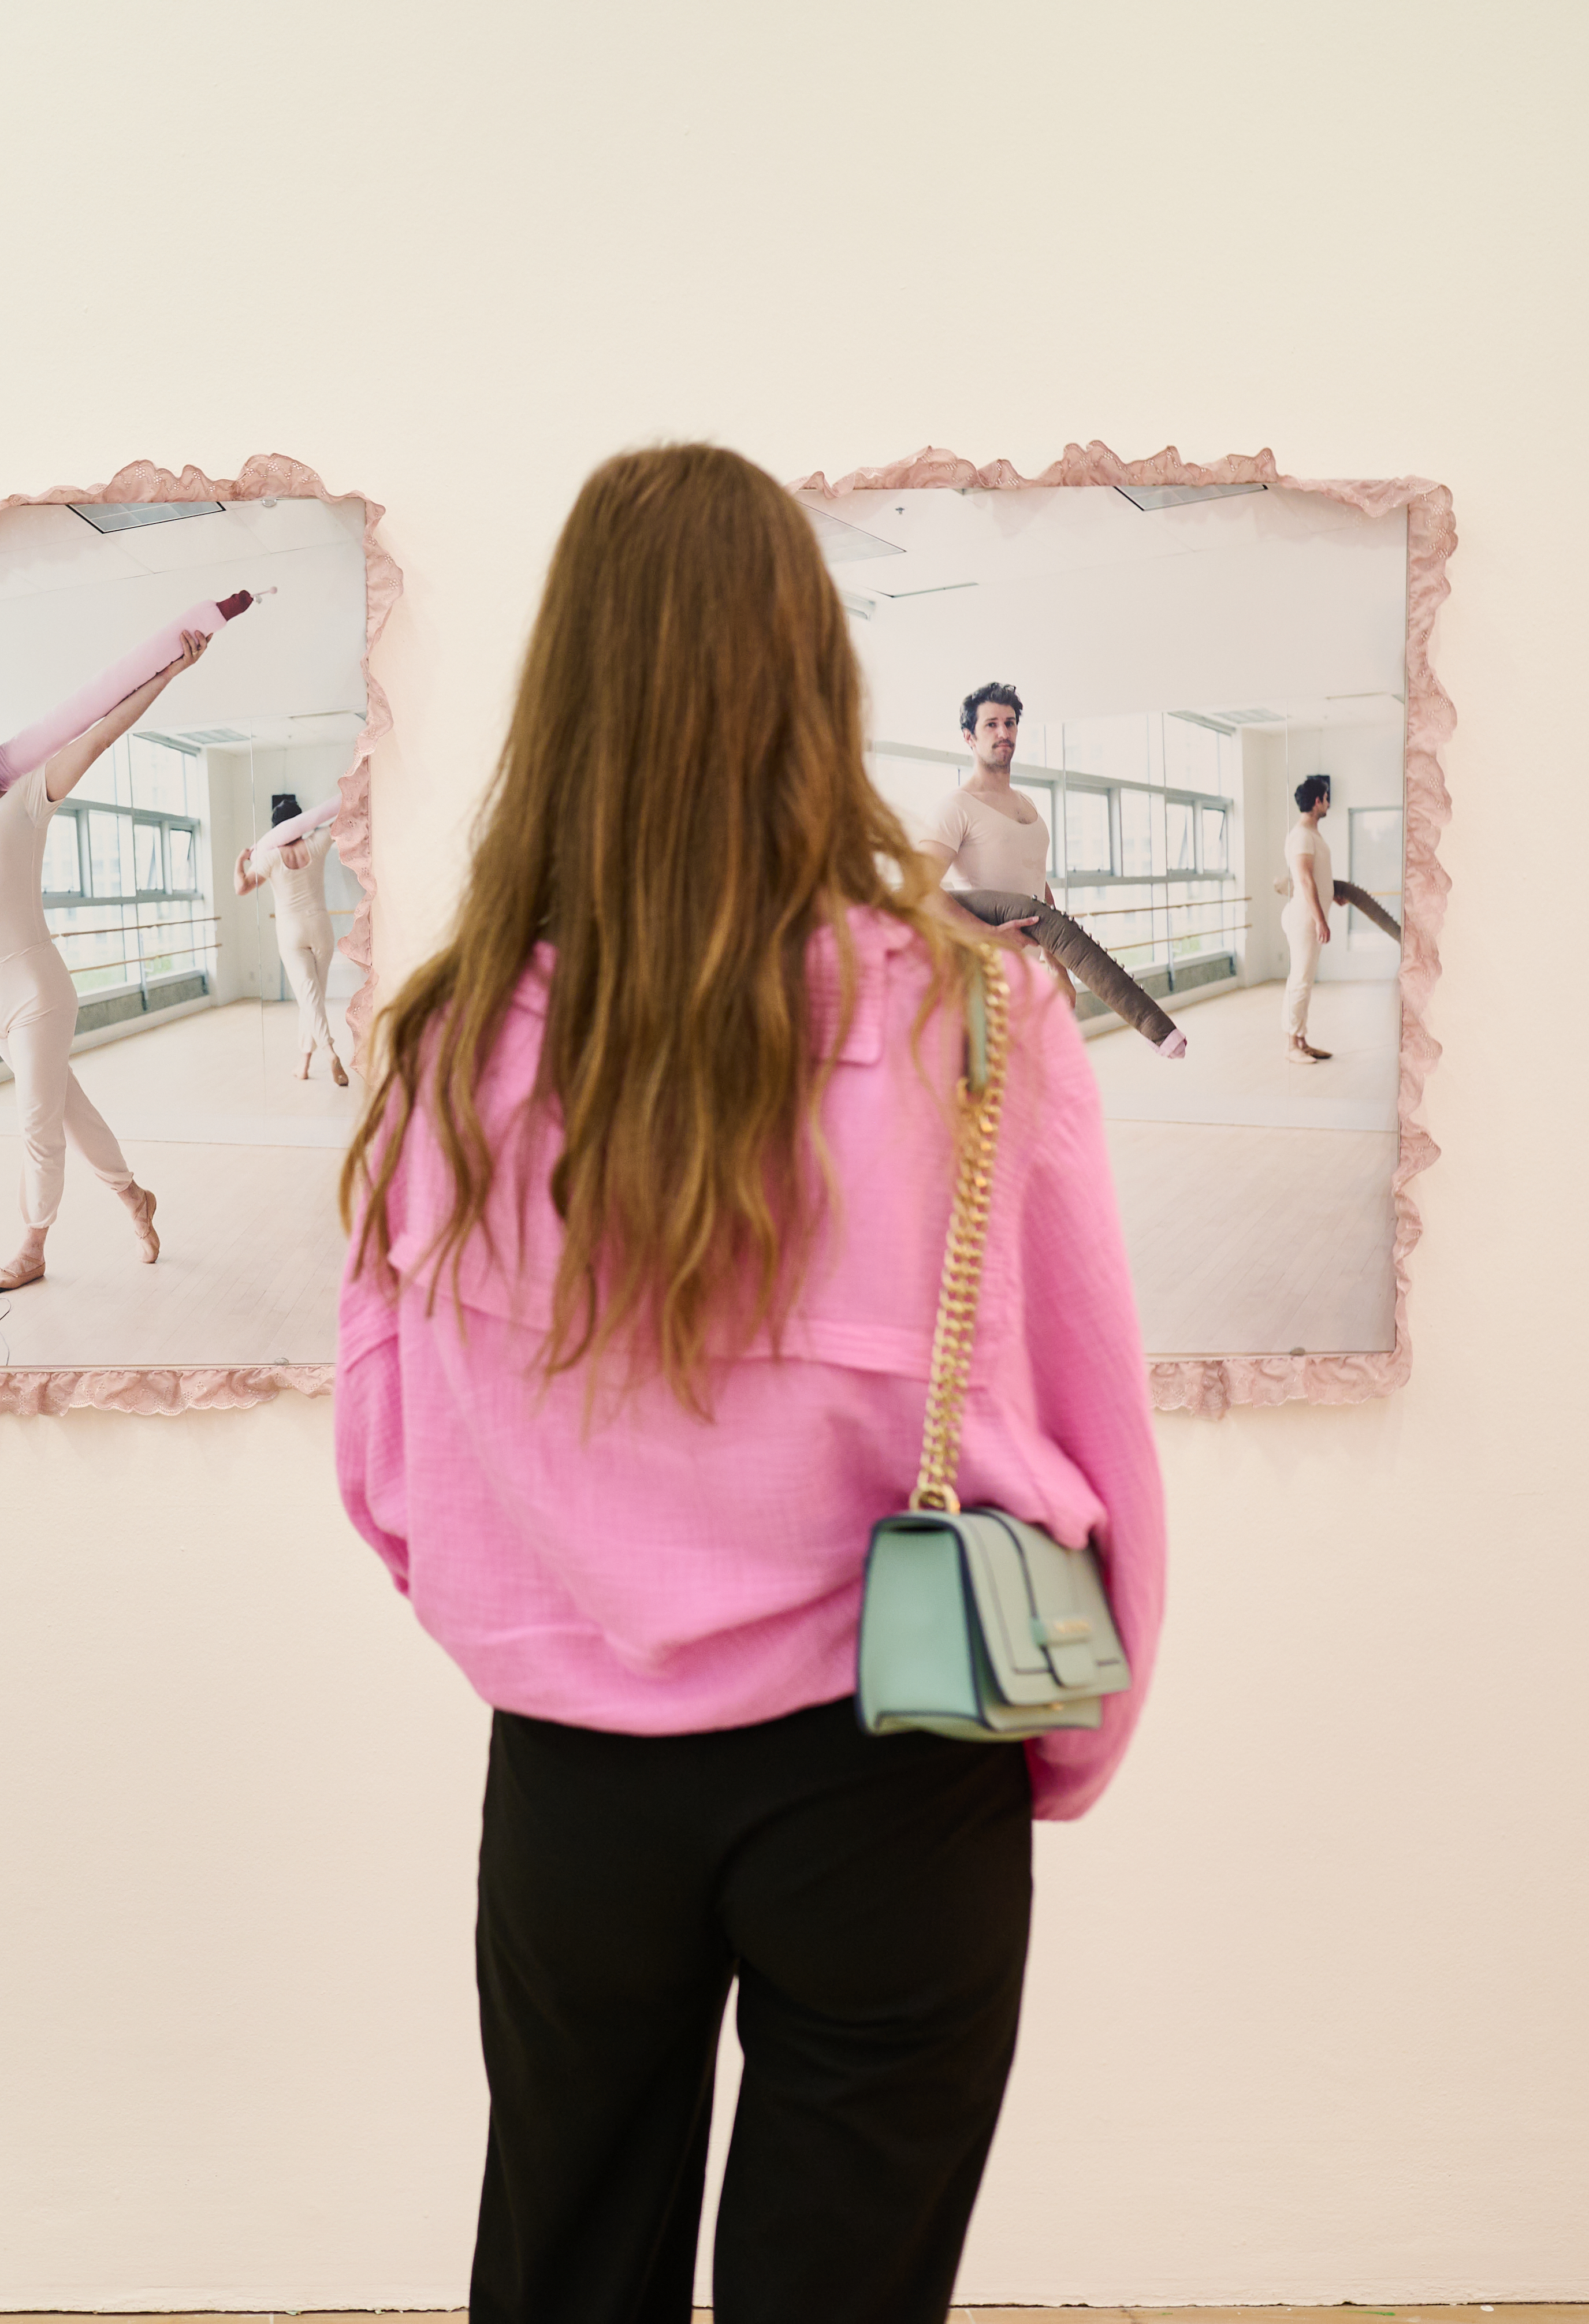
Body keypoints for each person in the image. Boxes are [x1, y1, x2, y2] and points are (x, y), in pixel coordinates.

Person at [336, 445, 1166, 2324]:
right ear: (811, 681)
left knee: (562, 2266)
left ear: (564, 698)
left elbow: (382, 1468)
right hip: (898, 1750)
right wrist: (1064, 1740)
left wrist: (563, 1617)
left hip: (569, 1783)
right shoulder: (969, 1013)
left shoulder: (446, 1050)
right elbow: (1087, 1424)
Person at [0, 628, 211, 1293]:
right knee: (70, 1115)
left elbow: (98, 732)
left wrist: (170, 673)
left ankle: (32, 1246)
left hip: (37, 992)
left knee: (34, 1123)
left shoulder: (27, 799)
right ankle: (134, 1198)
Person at [906, 683, 1190, 1057]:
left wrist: (1058, 967)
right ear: (969, 737)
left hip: (1029, 978)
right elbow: (919, 890)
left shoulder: (1026, 804)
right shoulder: (955, 808)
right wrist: (988, 933)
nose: (1003, 733)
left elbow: (1037, 890)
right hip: (981, 973)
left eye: (1010, 723)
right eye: (991, 724)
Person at [235, 793, 348, 1086]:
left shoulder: (270, 857)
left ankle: (331, 1054)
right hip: (322, 927)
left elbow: (242, 888)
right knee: (312, 999)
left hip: (292, 933)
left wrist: (240, 861)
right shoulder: (317, 843)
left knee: (309, 998)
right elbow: (342, 821)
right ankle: (304, 1062)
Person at [1281, 772, 1338, 1062]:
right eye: (1327, 799)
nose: (1329, 803)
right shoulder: (1302, 834)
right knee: (1300, 980)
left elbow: (1318, 876)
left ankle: (1301, 1040)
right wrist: (1320, 919)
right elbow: (1305, 880)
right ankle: (1291, 1045)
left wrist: (1334, 895)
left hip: (1310, 915)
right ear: (1317, 802)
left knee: (1303, 979)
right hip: (1304, 917)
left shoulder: (1312, 834)